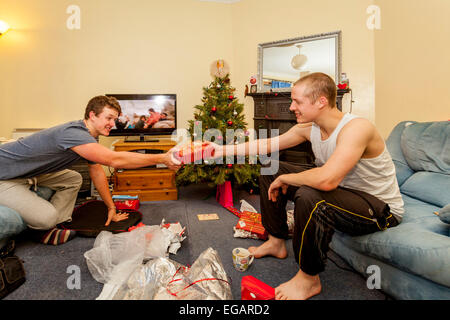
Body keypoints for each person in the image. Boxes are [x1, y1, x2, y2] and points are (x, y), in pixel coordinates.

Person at [209, 72, 404, 300]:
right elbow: (266, 144)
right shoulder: (310, 128)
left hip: (379, 209)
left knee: (311, 194)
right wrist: (218, 150)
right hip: (343, 194)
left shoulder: (357, 128)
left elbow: (327, 180)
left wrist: (288, 179)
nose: (292, 107)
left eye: (297, 101)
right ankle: (276, 241)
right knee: (271, 168)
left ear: (321, 101)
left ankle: (309, 279)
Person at [0, 95, 181, 245]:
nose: (113, 123)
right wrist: (162, 157)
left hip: (27, 175)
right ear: (92, 115)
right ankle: (46, 226)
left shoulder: (90, 138)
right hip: (4, 177)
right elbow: (114, 160)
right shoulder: (74, 134)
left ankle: (59, 224)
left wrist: (111, 208)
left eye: (115, 119)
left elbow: (97, 172)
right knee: (47, 217)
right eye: (108, 118)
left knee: (73, 178)